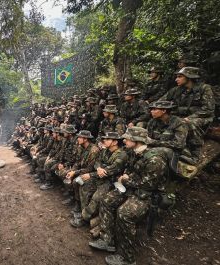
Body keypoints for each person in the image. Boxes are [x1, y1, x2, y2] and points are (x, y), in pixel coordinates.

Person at [89, 127, 168, 265]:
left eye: (127, 138)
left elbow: (147, 185)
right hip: (131, 188)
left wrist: (126, 179)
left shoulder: (155, 159)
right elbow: (129, 170)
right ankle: (108, 240)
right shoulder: (133, 152)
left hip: (146, 195)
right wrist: (126, 177)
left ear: (137, 140)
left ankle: (127, 258)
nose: (124, 140)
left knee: (124, 213)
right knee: (106, 200)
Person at [70, 132, 128, 228]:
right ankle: (84, 212)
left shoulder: (121, 155)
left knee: (96, 198)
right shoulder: (106, 151)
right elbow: (97, 162)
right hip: (99, 177)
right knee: (82, 184)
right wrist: (98, 168)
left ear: (115, 142)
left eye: (107, 139)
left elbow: (108, 172)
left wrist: (91, 174)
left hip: (111, 182)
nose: (104, 140)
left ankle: (85, 218)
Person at [160, 67, 215, 164]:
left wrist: (189, 117)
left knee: (188, 123)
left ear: (189, 78)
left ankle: (195, 155)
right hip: (180, 118)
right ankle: (176, 151)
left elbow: (208, 109)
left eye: (180, 77)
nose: (176, 79)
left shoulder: (204, 88)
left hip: (201, 117)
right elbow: (161, 102)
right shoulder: (176, 90)